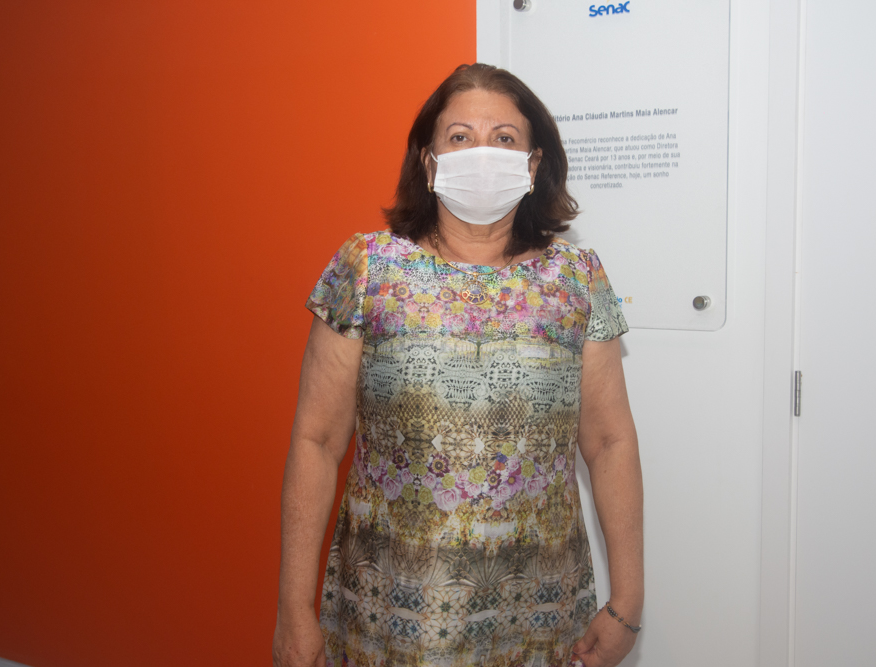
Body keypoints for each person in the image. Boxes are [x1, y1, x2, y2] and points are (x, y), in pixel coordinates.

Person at [273, 63, 643, 667]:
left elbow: (609, 443)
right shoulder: (368, 270)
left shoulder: (576, 279)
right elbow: (316, 441)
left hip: (537, 612)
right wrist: (293, 608)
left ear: (533, 165)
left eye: (504, 138)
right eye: (460, 137)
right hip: (390, 616)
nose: (482, 153)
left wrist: (627, 599)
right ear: (429, 162)